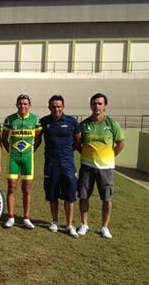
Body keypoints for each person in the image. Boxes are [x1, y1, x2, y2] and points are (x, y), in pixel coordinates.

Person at [77, 93, 124, 239]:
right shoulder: (84, 125)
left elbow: (120, 144)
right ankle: (84, 224)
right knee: (84, 196)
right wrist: (86, 154)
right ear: (90, 105)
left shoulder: (112, 124)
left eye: (100, 103)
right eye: (94, 103)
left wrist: (109, 156)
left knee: (107, 198)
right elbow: (78, 144)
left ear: (105, 106)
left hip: (106, 168)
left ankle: (105, 227)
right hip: (87, 167)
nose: (97, 106)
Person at [36, 95, 80, 237]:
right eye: (53, 106)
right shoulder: (44, 121)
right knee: (52, 193)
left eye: (59, 106)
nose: (56, 109)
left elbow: (78, 138)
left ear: (63, 106)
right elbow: (37, 138)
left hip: (68, 163)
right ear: (49, 107)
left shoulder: (72, 121)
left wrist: (69, 150)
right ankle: (54, 221)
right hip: (51, 163)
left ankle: (69, 225)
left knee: (70, 194)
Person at [1, 94, 42, 229]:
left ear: (29, 105)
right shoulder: (10, 119)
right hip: (14, 158)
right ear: (16, 105)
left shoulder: (35, 119)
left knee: (26, 189)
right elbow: (4, 139)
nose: (23, 106)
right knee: (11, 187)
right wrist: (11, 151)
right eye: (20, 104)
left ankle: (26, 218)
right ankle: (11, 217)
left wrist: (30, 151)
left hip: (28, 159)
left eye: (25, 104)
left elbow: (38, 139)